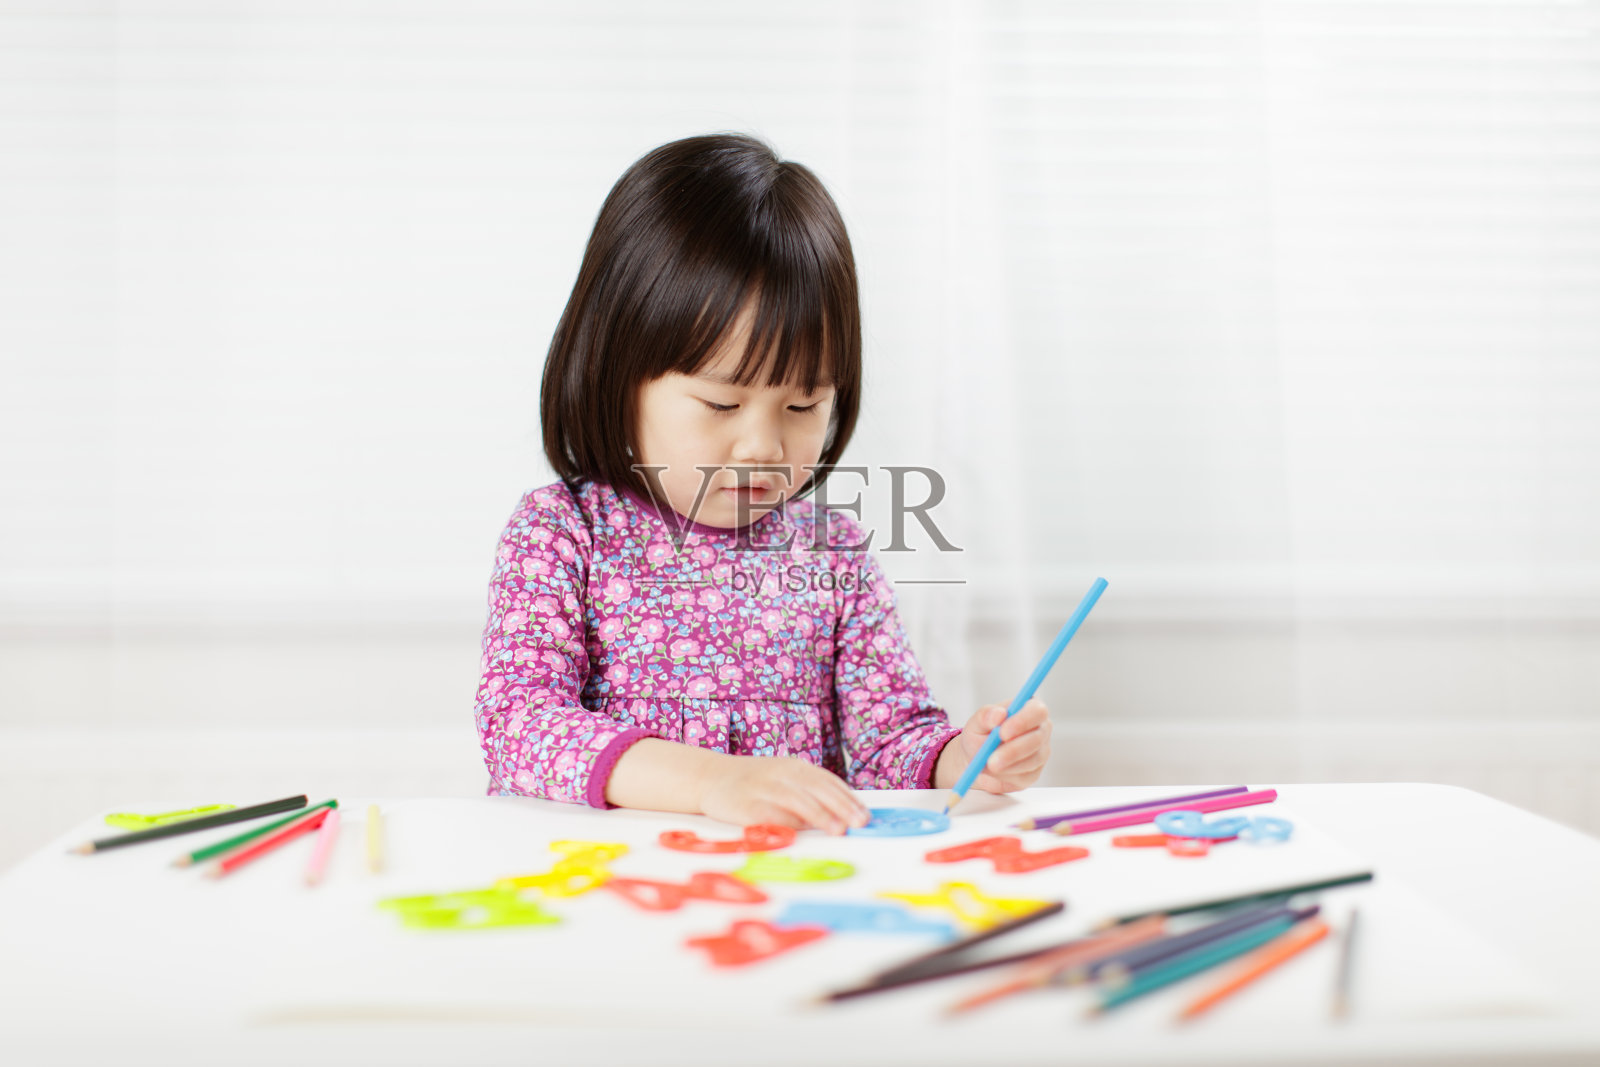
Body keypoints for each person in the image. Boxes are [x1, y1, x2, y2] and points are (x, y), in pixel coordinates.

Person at [472, 132, 1051, 835]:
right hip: (613, 880)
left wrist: (962, 758)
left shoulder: (830, 551)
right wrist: (713, 781)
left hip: (795, 887)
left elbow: (890, 737)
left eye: (803, 406)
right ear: (619, 375)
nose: (763, 445)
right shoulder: (564, 534)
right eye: (722, 404)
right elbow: (522, 727)